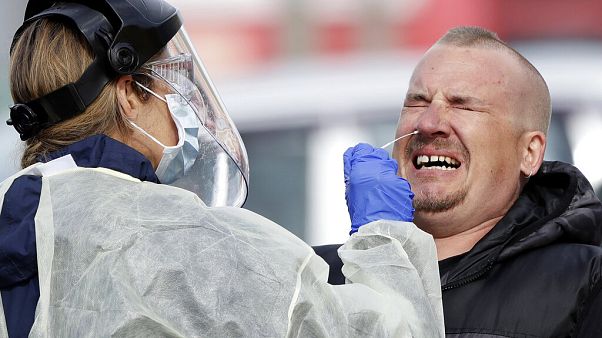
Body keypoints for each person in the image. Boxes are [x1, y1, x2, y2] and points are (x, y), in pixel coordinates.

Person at [0, 0, 446, 337]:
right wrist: (386, 237)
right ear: (129, 94)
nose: (181, 105)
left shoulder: (16, 214)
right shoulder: (174, 240)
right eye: (165, 81)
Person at [315, 26, 602, 337]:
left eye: (464, 105)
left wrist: (381, 265)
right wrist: (374, 253)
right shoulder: (313, 276)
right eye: (417, 102)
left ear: (529, 152)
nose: (428, 123)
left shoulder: (584, 282)